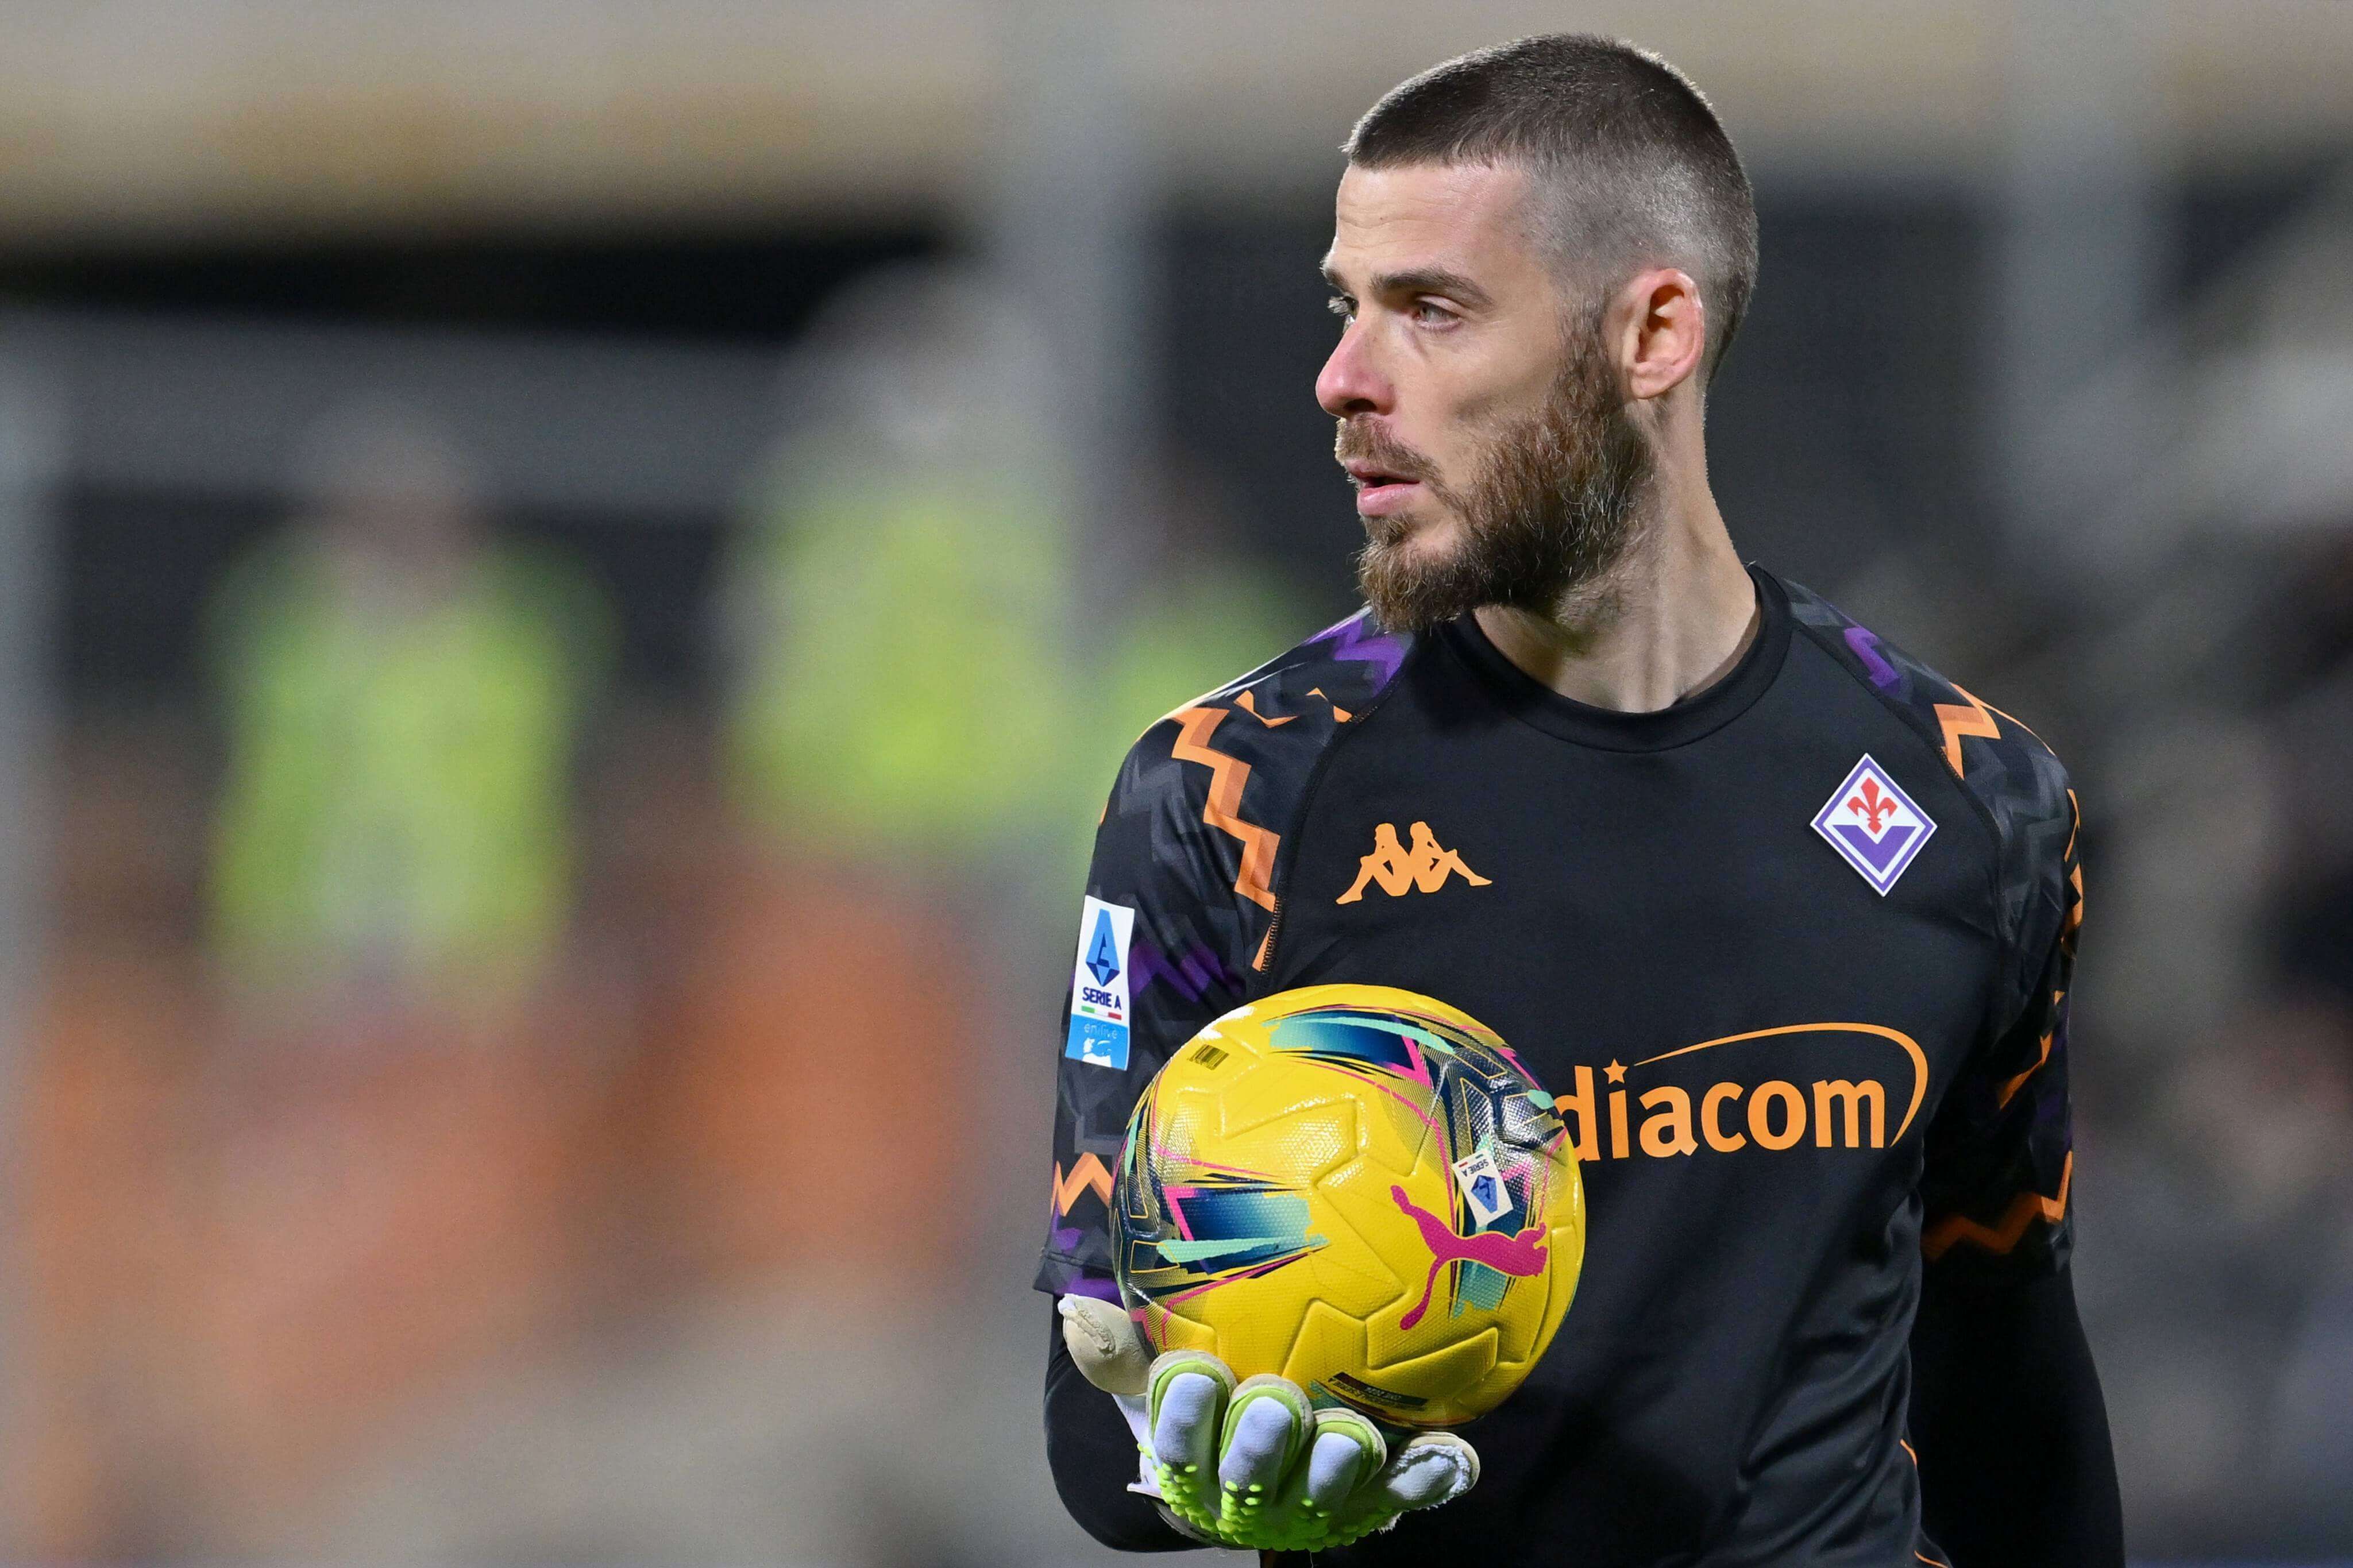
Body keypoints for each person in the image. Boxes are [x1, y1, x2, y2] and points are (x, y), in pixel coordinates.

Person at [1039, 34, 2124, 1567]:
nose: (1344, 378)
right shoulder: (1227, 796)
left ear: (1653, 332)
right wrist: (1193, 1465)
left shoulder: (1977, 803)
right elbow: (1099, 1421)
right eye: (1348, 306)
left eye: (1430, 309)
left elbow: (2009, 1370)